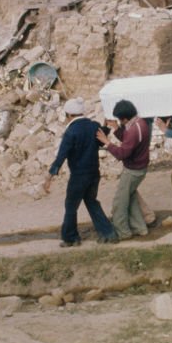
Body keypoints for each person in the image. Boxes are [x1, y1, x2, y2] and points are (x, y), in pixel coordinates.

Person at [43, 98, 119, 247]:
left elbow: (61, 156)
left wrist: (49, 177)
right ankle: (108, 233)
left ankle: (71, 238)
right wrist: (106, 126)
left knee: (71, 206)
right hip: (94, 173)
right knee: (91, 202)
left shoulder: (71, 132)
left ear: (69, 115)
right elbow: (101, 141)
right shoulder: (93, 126)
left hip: (78, 176)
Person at [96, 100, 150, 241]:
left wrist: (107, 142)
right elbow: (129, 142)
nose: (119, 122)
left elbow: (123, 153)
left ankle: (123, 232)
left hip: (133, 171)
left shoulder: (133, 130)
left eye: (119, 120)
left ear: (124, 118)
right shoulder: (140, 123)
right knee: (130, 199)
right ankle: (140, 228)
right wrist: (116, 129)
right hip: (140, 168)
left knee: (119, 203)